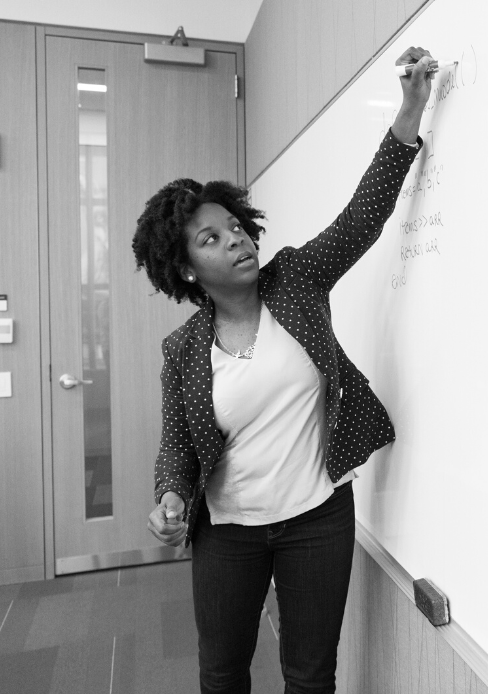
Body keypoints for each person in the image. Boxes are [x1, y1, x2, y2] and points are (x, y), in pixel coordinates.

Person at [132, 47, 435, 694]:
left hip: (318, 519)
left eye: (234, 227)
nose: (237, 239)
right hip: (229, 535)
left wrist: (409, 111)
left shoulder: (295, 280)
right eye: (211, 239)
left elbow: (360, 219)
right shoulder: (182, 351)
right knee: (222, 674)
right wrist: (169, 496)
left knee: (309, 676)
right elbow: (177, 449)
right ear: (186, 270)